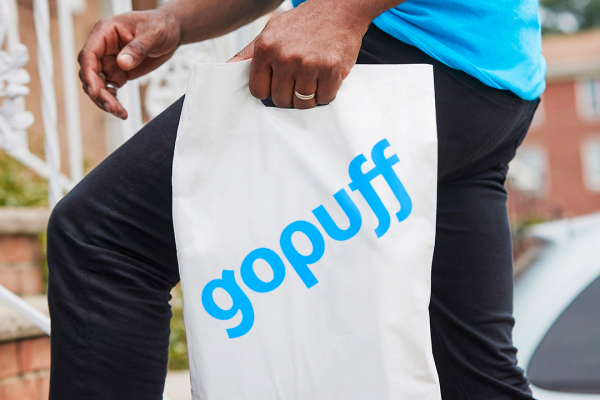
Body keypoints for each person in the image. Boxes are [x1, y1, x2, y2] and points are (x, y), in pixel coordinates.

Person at [47, 0, 545, 398]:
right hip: (490, 84)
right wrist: (176, 20)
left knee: (105, 241)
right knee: (475, 376)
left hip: (404, 47)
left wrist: (342, 10)